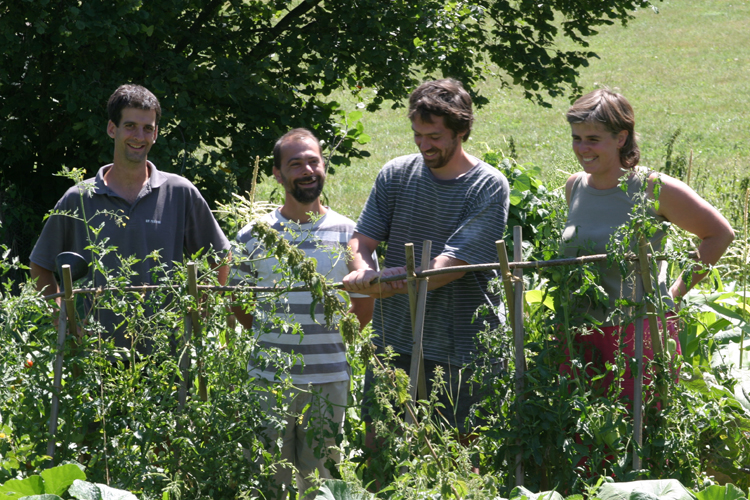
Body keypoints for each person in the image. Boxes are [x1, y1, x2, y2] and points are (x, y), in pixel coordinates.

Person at [342, 78, 510, 434]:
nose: (423, 144)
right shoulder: (396, 173)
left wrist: (388, 282)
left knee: (458, 461)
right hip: (393, 340)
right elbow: (361, 241)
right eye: (418, 134)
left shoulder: (487, 185)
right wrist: (363, 271)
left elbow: (449, 268)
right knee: (381, 448)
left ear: (460, 130)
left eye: (434, 136)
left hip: (460, 350)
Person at [560, 88, 735, 399]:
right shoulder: (575, 186)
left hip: (637, 332)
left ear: (621, 138)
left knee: (638, 431)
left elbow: (719, 234)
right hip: (580, 333)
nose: (582, 148)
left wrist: (676, 293)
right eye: (577, 138)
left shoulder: (653, 187)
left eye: (593, 139)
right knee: (582, 435)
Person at [230, 128, 374, 499]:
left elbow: (365, 303)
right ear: (277, 174)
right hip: (268, 382)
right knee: (268, 483)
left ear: (324, 165)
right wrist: (271, 336)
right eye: (296, 164)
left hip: (329, 381)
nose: (308, 170)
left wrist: (330, 343)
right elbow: (239, 302)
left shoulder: (351, 234)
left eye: (314, 161)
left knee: (323, 485)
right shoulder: (253, 235)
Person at [29, 84, 230, 349]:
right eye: (131, 126)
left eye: (148, 128)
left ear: (156, 133)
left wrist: (199, 313)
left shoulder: (179, 192)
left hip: (166, 357)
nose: (139, 136)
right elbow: (40, 266)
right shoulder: (79, 197)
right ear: (112, 128)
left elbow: (221, 258)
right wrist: (64, 321)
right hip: (94, 359)